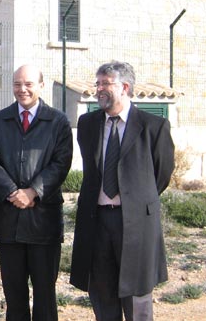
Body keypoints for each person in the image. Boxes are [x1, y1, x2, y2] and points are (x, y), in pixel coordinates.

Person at [70, 61, 175, 321]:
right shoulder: (87, 124)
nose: (99, 89)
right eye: (98, 83)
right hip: (96, 222)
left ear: (125, 87)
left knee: (138, 299)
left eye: (106, 84)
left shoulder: (153, 127)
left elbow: (160, 176)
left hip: (136, 223)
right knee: (102, 294)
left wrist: (133, 199)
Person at [0, 64, 73, 321]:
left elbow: (61, 162)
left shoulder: (58, 122)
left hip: (44, 221)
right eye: (17, 84)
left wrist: (33, 192)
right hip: (9, 221)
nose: (22, 89)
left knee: (45, 294)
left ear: (41, 86)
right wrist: (13, 192)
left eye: (29, 84)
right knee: (14, 295)